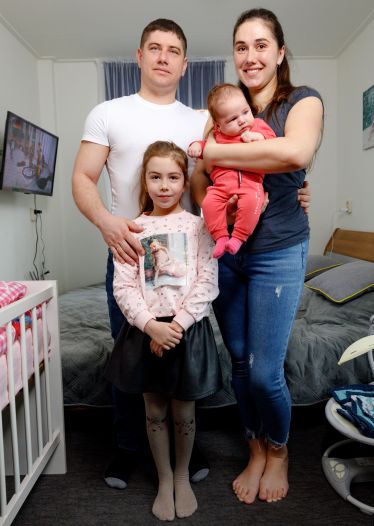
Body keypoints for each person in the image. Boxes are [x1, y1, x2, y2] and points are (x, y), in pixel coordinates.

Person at [191, 8, 323, 505]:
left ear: (280, 52)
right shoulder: (225, 105)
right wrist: (215, 194)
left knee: (266, 372)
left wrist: (214, 152)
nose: (250, 56)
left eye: (261, 45)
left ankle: (280, 449)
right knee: (240, 365)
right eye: (241, 47)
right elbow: (199, 179)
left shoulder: (302, 101)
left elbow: (294, 154)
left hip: (279, 249)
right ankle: (254, 447)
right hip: (227, 253)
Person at [71, 18, 211, 489]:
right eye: (154, 47)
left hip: (186, 260)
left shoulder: (200, 121)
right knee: (130, 358)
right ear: (139, 56)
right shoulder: (108, 113)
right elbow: (82, 178)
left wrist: (291, 192)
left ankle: (186, 449)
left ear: (185, 64)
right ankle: (128, 445)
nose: (163, 57)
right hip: (129, 253)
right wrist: (106, 222)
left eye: (173, 50)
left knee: (183, 355)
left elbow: (216, 183)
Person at [105, 141, 221, 521]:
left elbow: (208, 281)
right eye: (156, 177)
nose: (165, 185)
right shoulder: (132, 229)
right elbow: (123, 287)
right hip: (146, 330)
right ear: (145, 181)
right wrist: (151, 327)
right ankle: (164, 478)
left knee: (184, 409)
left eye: (173, 177)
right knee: (154, 409)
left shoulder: (198, 226)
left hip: (186, 330)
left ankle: (182, 476)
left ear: (184, 181)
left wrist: (178, 326)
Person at [188, 83, 276, 258]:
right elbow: (205, 148)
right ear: (218, 126)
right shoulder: (217, 137)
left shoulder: (258, 126)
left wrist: (257, 137)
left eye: (245, 112)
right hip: (221, 187)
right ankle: (220, 237)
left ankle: (238, 238)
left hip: (250, 184)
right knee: (209, 203)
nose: (242, 120)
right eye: (232, 119)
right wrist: (196, 146)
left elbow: (272, 140)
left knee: (252, 203)